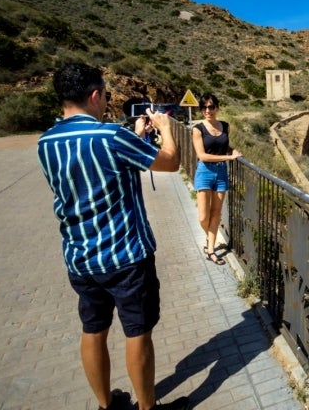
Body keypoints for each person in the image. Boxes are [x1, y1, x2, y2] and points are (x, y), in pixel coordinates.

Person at [37, 63, 188, 410]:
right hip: (126, 256)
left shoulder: (46, 142)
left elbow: (93, 174)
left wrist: (135, 137)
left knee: (94, 330)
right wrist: (165, 130)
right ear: (94, 95)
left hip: (80, 256)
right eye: (105, 94)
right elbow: (169, 163)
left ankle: (106, 405)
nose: (105, 101)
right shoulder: (109, 137)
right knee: (138, 332)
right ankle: (147, 407)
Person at [191, 93, 242, 265]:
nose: (208, 110)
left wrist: (232, 151)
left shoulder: (225, 126)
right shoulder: (198, 129)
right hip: (204, 172)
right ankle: (210, 237)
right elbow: (202, 155)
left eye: (211, 107)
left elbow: (223, 146)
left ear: (217, 108)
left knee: (216, 213)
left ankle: (211, 249)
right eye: (204, 107)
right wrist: (228, 158)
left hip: (221, 174)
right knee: (203, 217)